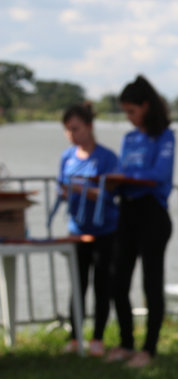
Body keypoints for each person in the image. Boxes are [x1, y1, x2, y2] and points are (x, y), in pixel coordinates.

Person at [104, 75, 175, 369]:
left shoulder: (165, 136)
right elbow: (123, 173)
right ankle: (125, 343)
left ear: (146, 106)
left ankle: (149, 349)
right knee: (118, 281)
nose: (129, 117)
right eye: (125, 112)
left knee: (151, 282)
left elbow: (160, 174)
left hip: (152, 214)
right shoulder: (129, 138)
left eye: (131, 111)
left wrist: (127, 177)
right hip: (127, 211)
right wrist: (112, 182)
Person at [57, 102, 120, 357]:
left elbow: (109, 192)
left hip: (105, 230)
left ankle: (98, 339)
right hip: (77, 231)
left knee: (102, 286)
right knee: (78, 285)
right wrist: (68, 191)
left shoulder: (107, 157)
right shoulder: (67, 156)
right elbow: (61, 188)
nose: (71, 134)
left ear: (89, 127)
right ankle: (75, 338)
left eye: (75, 128)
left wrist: (79, 188)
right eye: (67, 130)